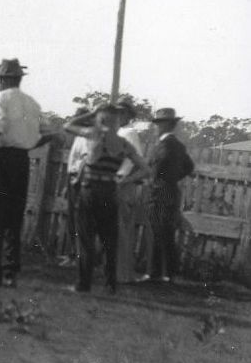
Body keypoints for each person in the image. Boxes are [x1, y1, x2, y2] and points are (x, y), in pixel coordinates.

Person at [0, 58, 55, 288]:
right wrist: (28, 146)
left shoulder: (1, 98)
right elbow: (49, 133)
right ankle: (10, 273)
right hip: (21, 162)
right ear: (18, 79)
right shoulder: (33, 103)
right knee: (13, 218)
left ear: (5, 80)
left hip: (1, 160)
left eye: (0, 80)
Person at [63, 104, 149, 294]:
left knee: (85, 240)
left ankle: (83, 284)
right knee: (109, 241)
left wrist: (91, 113)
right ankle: (111, 284)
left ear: (101, 120)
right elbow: (145, 169)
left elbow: (67, 125)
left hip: (90, 191)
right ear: (118, 123)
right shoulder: (124, 144)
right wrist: (123, 179)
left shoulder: (93, 134)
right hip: (110, 192)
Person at [138, 108, 194, 284]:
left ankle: (153, 273)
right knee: (167, 233)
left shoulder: (165, 145)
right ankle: (168, 273)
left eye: (158, 124)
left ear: (166, 125)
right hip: (171, 192)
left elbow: (155, 169)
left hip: (159, 193)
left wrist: (155, 181)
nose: (155, 128)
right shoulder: (178, 145)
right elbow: (189, 167)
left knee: (156, 232)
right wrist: (173, 179)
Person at [114, 99, 146, 282]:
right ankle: (117, 271)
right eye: (116, 113)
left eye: (121, 113)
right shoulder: (119, 131)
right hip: (116, 181)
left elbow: (136, 159)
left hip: (124, 183)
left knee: (123, 229)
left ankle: (124, 274)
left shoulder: (130, 133)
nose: (118, 116)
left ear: (128, 115)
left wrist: (125, 179)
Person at [63, 107, 92, 265]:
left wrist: (76, 180)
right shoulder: (78, 137)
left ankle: (78, 256)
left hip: (80, 180)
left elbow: (86, 160)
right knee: (72, 218)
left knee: (79, 218)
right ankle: (72, 254)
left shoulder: (87, 135)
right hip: (73, 177)